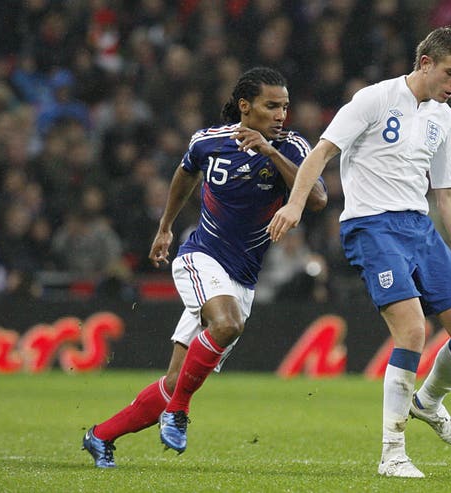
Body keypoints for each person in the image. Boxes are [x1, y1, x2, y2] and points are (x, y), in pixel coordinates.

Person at [267, 27, 451, 479]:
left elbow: (449, 196)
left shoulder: (444, 118)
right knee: (412, 329)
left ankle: (428, 402)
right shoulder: (373, 99)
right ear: (426, 63)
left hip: (419, 227)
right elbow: (321, 154)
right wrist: (295, 205)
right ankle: (392, 453)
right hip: (372, 225)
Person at [82, 66, 327, 467]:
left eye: (284, 106)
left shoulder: (294, 147)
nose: (281, 114)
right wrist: (164, 228)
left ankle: (100, 435)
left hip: (243, 277)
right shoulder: (209, 141)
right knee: (227, 325)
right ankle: (178, 412)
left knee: (176, 381)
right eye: (271, 106)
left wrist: (268, 150)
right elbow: (185, 174)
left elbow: (315, 198)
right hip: (201, 257)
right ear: (245, 106)